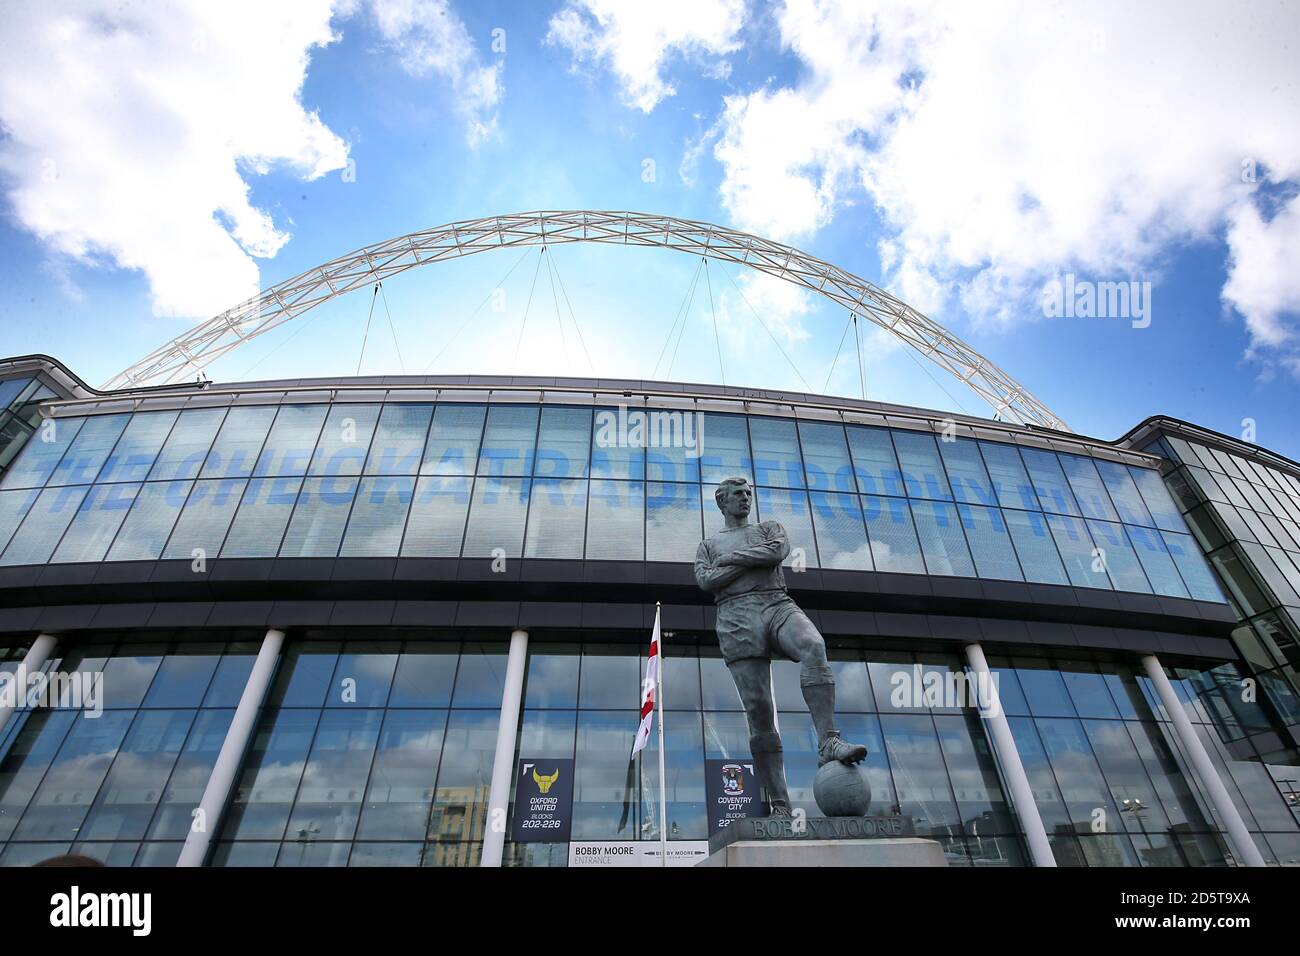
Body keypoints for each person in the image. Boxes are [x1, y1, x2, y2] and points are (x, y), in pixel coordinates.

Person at [694, 476, 866, 817]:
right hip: (735, 617)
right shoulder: (708, 544)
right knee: (759, 710)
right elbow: (705, 580)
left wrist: (731, 561)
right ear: (722, 502)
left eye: (748, 494)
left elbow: (777, 550)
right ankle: (779, 803)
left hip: (775, 603)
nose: (745, 499)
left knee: (814, 645)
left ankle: (828, 741)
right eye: (737, 494)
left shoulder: (769, 527)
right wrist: (749, 561)